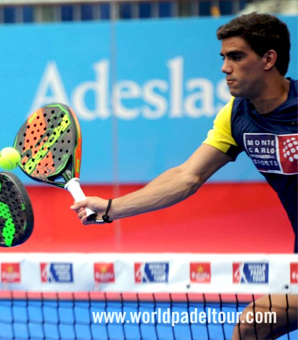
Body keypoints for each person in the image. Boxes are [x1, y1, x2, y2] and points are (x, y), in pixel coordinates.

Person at [71, 12, 296, 339]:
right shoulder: (236, 117)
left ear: (268, 59)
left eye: (236, 56)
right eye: (223, 57)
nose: (224, 67)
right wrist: (110, 208)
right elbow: (187, 176)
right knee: (252, 326)